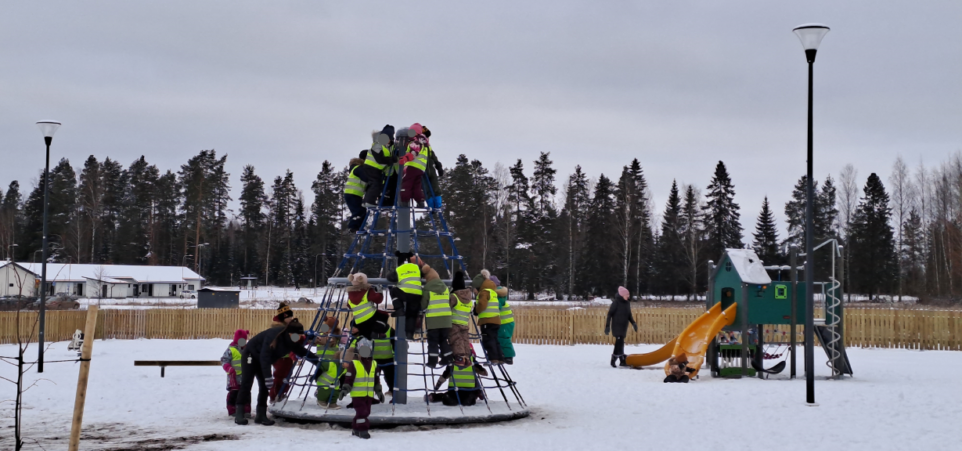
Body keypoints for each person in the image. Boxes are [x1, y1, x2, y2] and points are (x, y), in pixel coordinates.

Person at [236, 318, 317, 426]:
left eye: (300, 336)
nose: (298, 338)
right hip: (251, 356)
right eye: (297, 335)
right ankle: (239, 413)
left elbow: (302, 352)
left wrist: (318, 362)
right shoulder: (274, 336)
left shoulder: (292, 341)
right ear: (290, 333)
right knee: (247, 383)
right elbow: (265, 356)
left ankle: (261, 415)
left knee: (264, 387)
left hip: (263, 359)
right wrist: (268, 377)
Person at [340, 338, 377, 439]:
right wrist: (345, 389)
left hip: (369, 394)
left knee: (366, 412)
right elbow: (349, 378)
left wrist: (378, 390)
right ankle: (362, 429)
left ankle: (355, 428)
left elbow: (376, 379)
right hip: (357, 394)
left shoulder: (373, 363)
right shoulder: (354, 363)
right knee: (362, 412)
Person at [419, 258, 453, 367]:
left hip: (433, 320)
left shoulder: (427, 289)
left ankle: (432, 361)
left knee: (433, 341)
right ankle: (447, 358)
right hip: (446, 319)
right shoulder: (446, 288)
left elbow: (423, 305)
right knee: (443, 340)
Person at [387, 251, 423, 337]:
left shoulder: (399, 268)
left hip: (405, 293)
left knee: (393, 290)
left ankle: (399, 308)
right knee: (412, 315)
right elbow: (421, 274)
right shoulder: (416, 267)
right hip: (417, 294)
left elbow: (391, 277)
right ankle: (409, 333)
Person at [360, 125, 397, 208]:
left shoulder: (387, 146)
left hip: (376, 168)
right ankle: (369, 201)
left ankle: (366, 201)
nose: (388, 141)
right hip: (371, 167)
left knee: (375, 184)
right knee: (376, 184)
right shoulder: (377, 145)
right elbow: (379, 159)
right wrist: (392, 159)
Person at [472, 270, 504, 364]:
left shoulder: (484, 292)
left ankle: (492, 358)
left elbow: (482, 304)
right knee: (494, 339)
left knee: (488, 340)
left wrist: (476, 309)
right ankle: (500, 358)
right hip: (495, 320)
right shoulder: (492, 291)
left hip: (487, 320)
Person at [269, 303, 299, 402]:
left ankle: (282, 393)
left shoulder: (288, 328)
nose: (291, 318)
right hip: (280, 358)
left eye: (291, 316)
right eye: (289, 316)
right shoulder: (279, 330)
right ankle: (275, 395)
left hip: (287, 358)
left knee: (287, 376)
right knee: (279, 377)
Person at [346, 272, 389, 339]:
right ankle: (377, 332)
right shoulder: (367, 291)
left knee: (365, 335)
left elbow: (349, 305)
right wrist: (379, 291)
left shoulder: (350, 294)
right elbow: (378, 300)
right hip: (370, 316)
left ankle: (362, 342)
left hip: (358, 320)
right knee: (384, 315)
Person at [604, 286, 638, 368]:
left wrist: (633, 323)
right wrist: (607, 326)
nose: (628, 296)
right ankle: (614, 359)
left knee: (621, 342)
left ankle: (622, 360)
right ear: (622, 295)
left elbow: (629, 315)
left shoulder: (627, 303)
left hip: (623, 326)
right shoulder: (616, 303)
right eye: (627, 295)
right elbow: (610, 314)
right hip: (616, 326)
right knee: (619, 342)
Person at [221, 329, 250, 418]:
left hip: (245, 376)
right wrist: (228, 368)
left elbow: (249, 360)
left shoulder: (247, 350)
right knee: (234, 393)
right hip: (234, 377)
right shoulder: (231, 350)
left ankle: (245, 410)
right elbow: (224, 360)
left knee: (246, 393)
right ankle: (232, 409)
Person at [400, 123, 430, 207]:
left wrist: (405, 158)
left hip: (412, 166)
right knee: (417, 185)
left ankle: (404, 200)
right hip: (421, 168)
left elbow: (413, 152)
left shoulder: (416, 141)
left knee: (407, 182)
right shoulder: (423, 143)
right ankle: (420, 201)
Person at [489, 275, 515, 365]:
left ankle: (508, 357)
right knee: (500, 339)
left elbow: (497, 307)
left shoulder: (498, 296)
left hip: (505, 322)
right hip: (505, 322)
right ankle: (504, 355)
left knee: (504, 339)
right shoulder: (499, 294)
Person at [449, 271, 474, 360]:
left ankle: (459, 356)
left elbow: (448, 307)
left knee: (456, 339)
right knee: (465, 339)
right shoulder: (469, 298)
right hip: (464, 322)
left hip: (454, 322)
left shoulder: (454, 296)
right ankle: (467, 354)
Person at [420, 126, 444, 209]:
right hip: (422, 172)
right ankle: (431, 206)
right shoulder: (417, 146)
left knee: (436, 189)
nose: (427, 139)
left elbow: (434, 157)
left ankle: (438, 206)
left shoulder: (428, 147)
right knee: (427, 190)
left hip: (431, 170)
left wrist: (439, 167)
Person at [344, 152, 368, 233]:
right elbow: (365, 178)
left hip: (353, 193)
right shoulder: (359, 168)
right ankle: (353, 226)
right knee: (358, 211)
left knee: (362, 210)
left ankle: (359, 227)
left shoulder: (355, 169)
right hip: (353, 193)